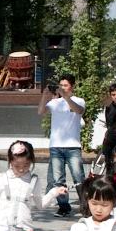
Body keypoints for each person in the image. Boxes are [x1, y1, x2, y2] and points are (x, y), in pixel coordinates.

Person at [39, 74, 86, 217]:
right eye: (61, 85)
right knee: (58, 180)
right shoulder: (55, 102)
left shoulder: (79, 100)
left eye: (65, 85)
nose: (63, 88)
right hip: (56, 146)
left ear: (72, 86)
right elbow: (41, 111)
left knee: (79, 177)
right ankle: (64, 206)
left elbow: (78, 110)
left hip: (73, 146)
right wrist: (45, 95)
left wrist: (65, 96)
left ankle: (86, 206)